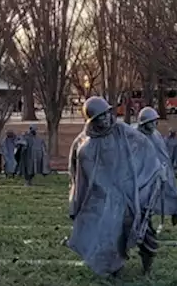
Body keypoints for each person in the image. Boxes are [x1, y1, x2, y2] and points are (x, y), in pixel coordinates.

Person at [68, 97, 164, 276]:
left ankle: (147, 265)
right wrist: (77, 202)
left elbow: (145, 147)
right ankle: (113, 268)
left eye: (106, 114)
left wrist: (155, 171)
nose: (105, 120)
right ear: (92, 120)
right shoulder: (84, 145)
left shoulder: (122, 131)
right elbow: (78, 176)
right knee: (108, 233)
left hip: (128, 191)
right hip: (103, 196)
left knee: (143, 230)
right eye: (100, 117)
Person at [136, 107, 177, 226]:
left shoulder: (156, 135)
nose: (153, 124)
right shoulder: (137, 136)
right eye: (150, 122)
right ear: (143, 123)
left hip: (162, 170)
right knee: (144, 200)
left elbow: (162, 153)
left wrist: (164, 168)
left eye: (154, 121)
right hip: (144, 174)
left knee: (169, 192)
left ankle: (174, 213)